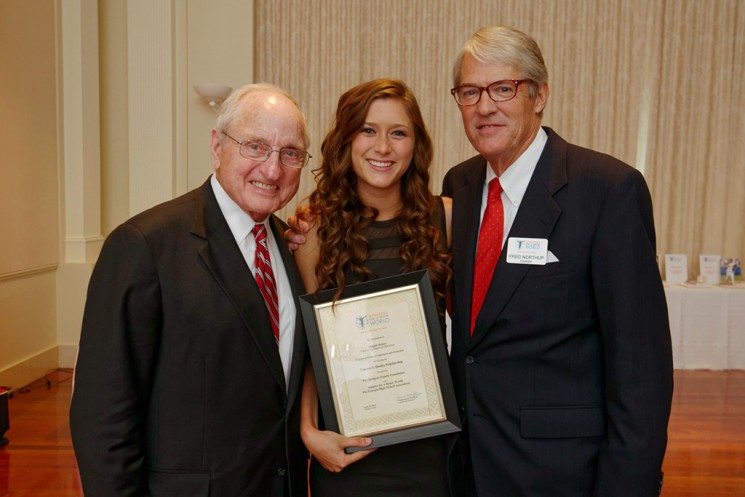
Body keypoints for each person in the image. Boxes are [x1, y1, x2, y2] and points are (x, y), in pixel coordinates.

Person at [443, 26, 673, 496]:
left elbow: (641, 371)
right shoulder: (459, 187)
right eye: (470, 92)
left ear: (540, 94)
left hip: (563, 473)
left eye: (503, 88)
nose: (485, 107)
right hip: (466, 467)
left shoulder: (608, 189)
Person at [69, 84, 311, 497]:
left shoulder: (294, 250)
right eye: (255, 146)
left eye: (290, 153)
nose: (273, 170)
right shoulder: (144, 246)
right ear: (217, 146)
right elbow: (102, 416)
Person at [293, 78, 453, 497]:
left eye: (398, 133)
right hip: (346, 452)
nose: (382, 147)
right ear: (346, 139)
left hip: (431, 451)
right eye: (368, 130)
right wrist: (309, 430)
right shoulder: (314, 231)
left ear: (415, 145)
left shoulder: (448, 220)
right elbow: (313, 348)